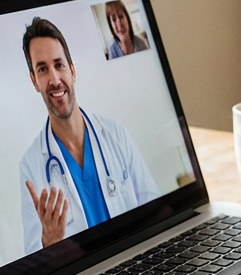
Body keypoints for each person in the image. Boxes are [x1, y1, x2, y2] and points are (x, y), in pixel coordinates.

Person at [18, 17, 161, 253]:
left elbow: (154, 209)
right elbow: (34, 266)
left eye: (59, 65)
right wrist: (50, 243)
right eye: (42, 69)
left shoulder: (115, 133)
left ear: (73, 70)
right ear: (34, 80)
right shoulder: (31, 167)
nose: (54, 80)